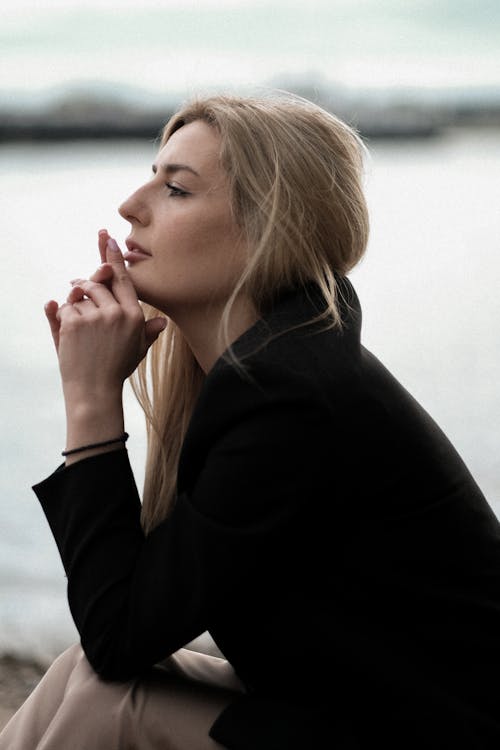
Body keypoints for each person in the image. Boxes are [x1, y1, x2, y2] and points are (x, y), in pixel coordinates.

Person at [1, 93, 499, 750]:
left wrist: (91, 400)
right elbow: (122, 629)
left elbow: (119, 633)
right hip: (364, 709)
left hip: (435, 735)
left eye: (175, 189)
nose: (131, 205)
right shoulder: (278, 365)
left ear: (269, 230)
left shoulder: (290, 398)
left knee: (110, 706)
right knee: (81, 679)